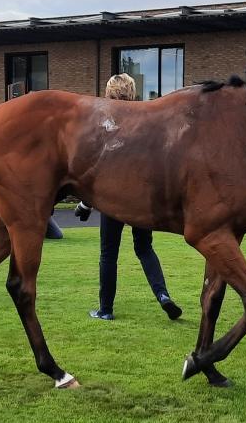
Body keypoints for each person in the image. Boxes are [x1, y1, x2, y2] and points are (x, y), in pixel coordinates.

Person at [88, 73, 181, 321]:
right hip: (140, 196)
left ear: (109, 93)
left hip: (113, 197)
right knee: (144, 248)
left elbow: (96, 167)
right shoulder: (144, 120)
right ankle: (163, 295)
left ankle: (105, 309)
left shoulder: (104, 123)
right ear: (132, 92)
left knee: (108, 254)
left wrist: (86, 201)